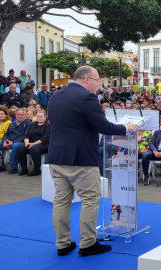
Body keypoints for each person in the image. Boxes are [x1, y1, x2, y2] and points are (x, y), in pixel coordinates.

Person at [47, 66, 138, 256]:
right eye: (97, 81)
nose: (99, 86)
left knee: (61, 201)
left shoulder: (55, 96)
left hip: (57, 157)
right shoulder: (86, 98)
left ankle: (62, 243)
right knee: (90, 200)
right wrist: (126, 127)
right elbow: (103, 126)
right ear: (87, 79)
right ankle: (88, 243)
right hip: (80, 159)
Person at [0, 108, 31, 173]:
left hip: (20, 142)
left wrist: (12, 142)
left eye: (21, 115)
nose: (20, 116)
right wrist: (5, 141)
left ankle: (14, 167)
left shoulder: (28, 124)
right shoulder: (12, 124)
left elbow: (25, 136)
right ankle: (0, 165)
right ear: (16, 115)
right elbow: (6, 134)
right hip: (9, 141)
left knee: (15, 145)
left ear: (25, 115)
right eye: (18, 115)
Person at [15, 110, 50, 176]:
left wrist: (33, 144)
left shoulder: (48, 125)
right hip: (31, 143)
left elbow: (45, 138)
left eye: (41, 117)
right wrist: (26, 143)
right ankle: (24, 169)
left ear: (45, 117)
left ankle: (36, 170)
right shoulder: (33, 125)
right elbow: (26, 135)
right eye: (38, 116)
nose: (39, 118)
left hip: (43, 144)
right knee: (20, 148)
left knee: (34, 149)